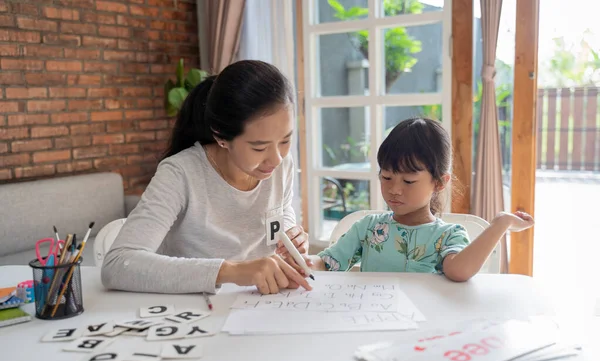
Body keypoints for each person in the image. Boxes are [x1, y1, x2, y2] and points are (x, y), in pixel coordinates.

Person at [101, 60, 312, 295]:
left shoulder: (282, 166)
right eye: (259, 147)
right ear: (221, 137)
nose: (276, 159)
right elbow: (117, 265)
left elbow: (279, 214)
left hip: (259, 307)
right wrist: (231, 271)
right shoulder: (180, 174)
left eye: (285, 140)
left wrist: (292, 238)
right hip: (194, 314)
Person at [309, 117, 534, 281]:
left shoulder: (447, 235)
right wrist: (304, 262)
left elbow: (459, 271)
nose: (394, 190)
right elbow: (327, 263)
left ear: (439, 182)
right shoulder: (368, 228)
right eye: (386, 177)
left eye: (408, 181)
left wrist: (500, 224)